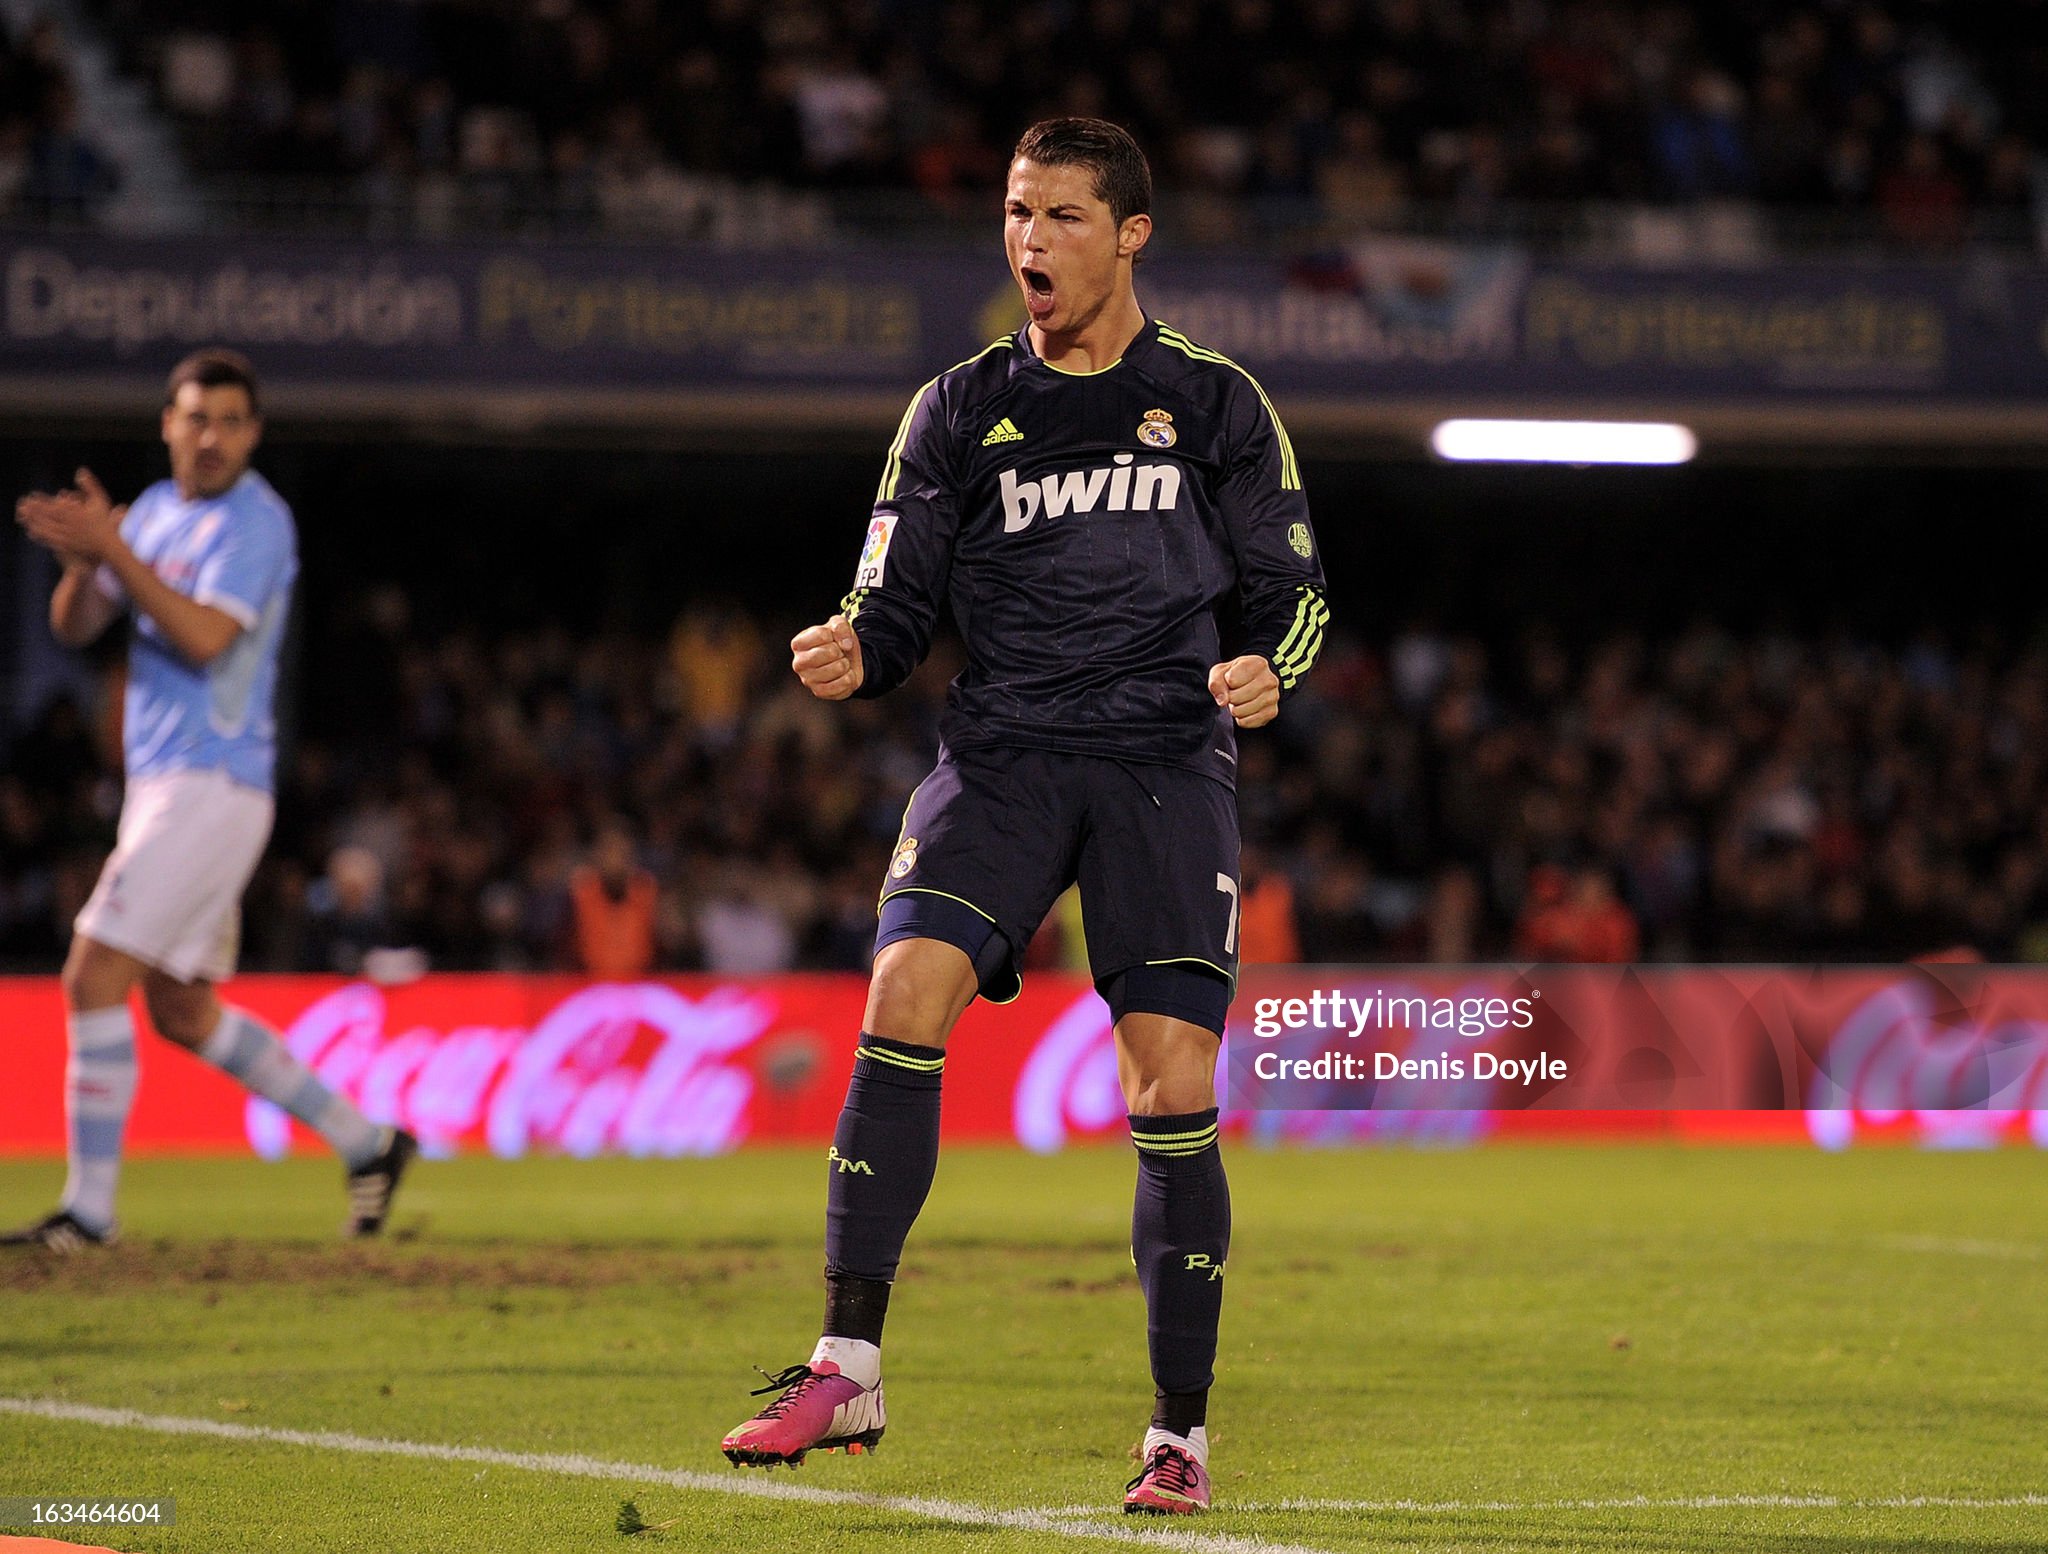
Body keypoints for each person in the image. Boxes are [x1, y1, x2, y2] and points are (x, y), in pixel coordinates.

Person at [719, 118, 1329, 1515]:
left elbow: (1293, 593)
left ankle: (1179, 1436)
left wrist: (1266, 669)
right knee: (901, 990)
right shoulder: (955, 407)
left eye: (1060, 217)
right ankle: (846, 1365)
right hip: (1003, 755)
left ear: (1130, 236)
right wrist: (856, 647)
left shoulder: (1216, 402)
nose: (1027, 241)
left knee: (1170, 1086)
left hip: (1163, 762)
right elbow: (895, 599)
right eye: (1014, 212)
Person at [7, 348, 415, 1252]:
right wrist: (82, 564)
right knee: (182, 1010)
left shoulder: (256, 522)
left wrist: (116, 551)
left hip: (214, 782)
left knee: (90, 975)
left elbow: (201, 638)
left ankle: (89, 1213)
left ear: (253, 434)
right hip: (163, 784)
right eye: (198, 418)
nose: (213, 438)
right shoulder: (154, 511)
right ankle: (369, 1142)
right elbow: (76, 626)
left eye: (231, 422)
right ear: (168, 424)